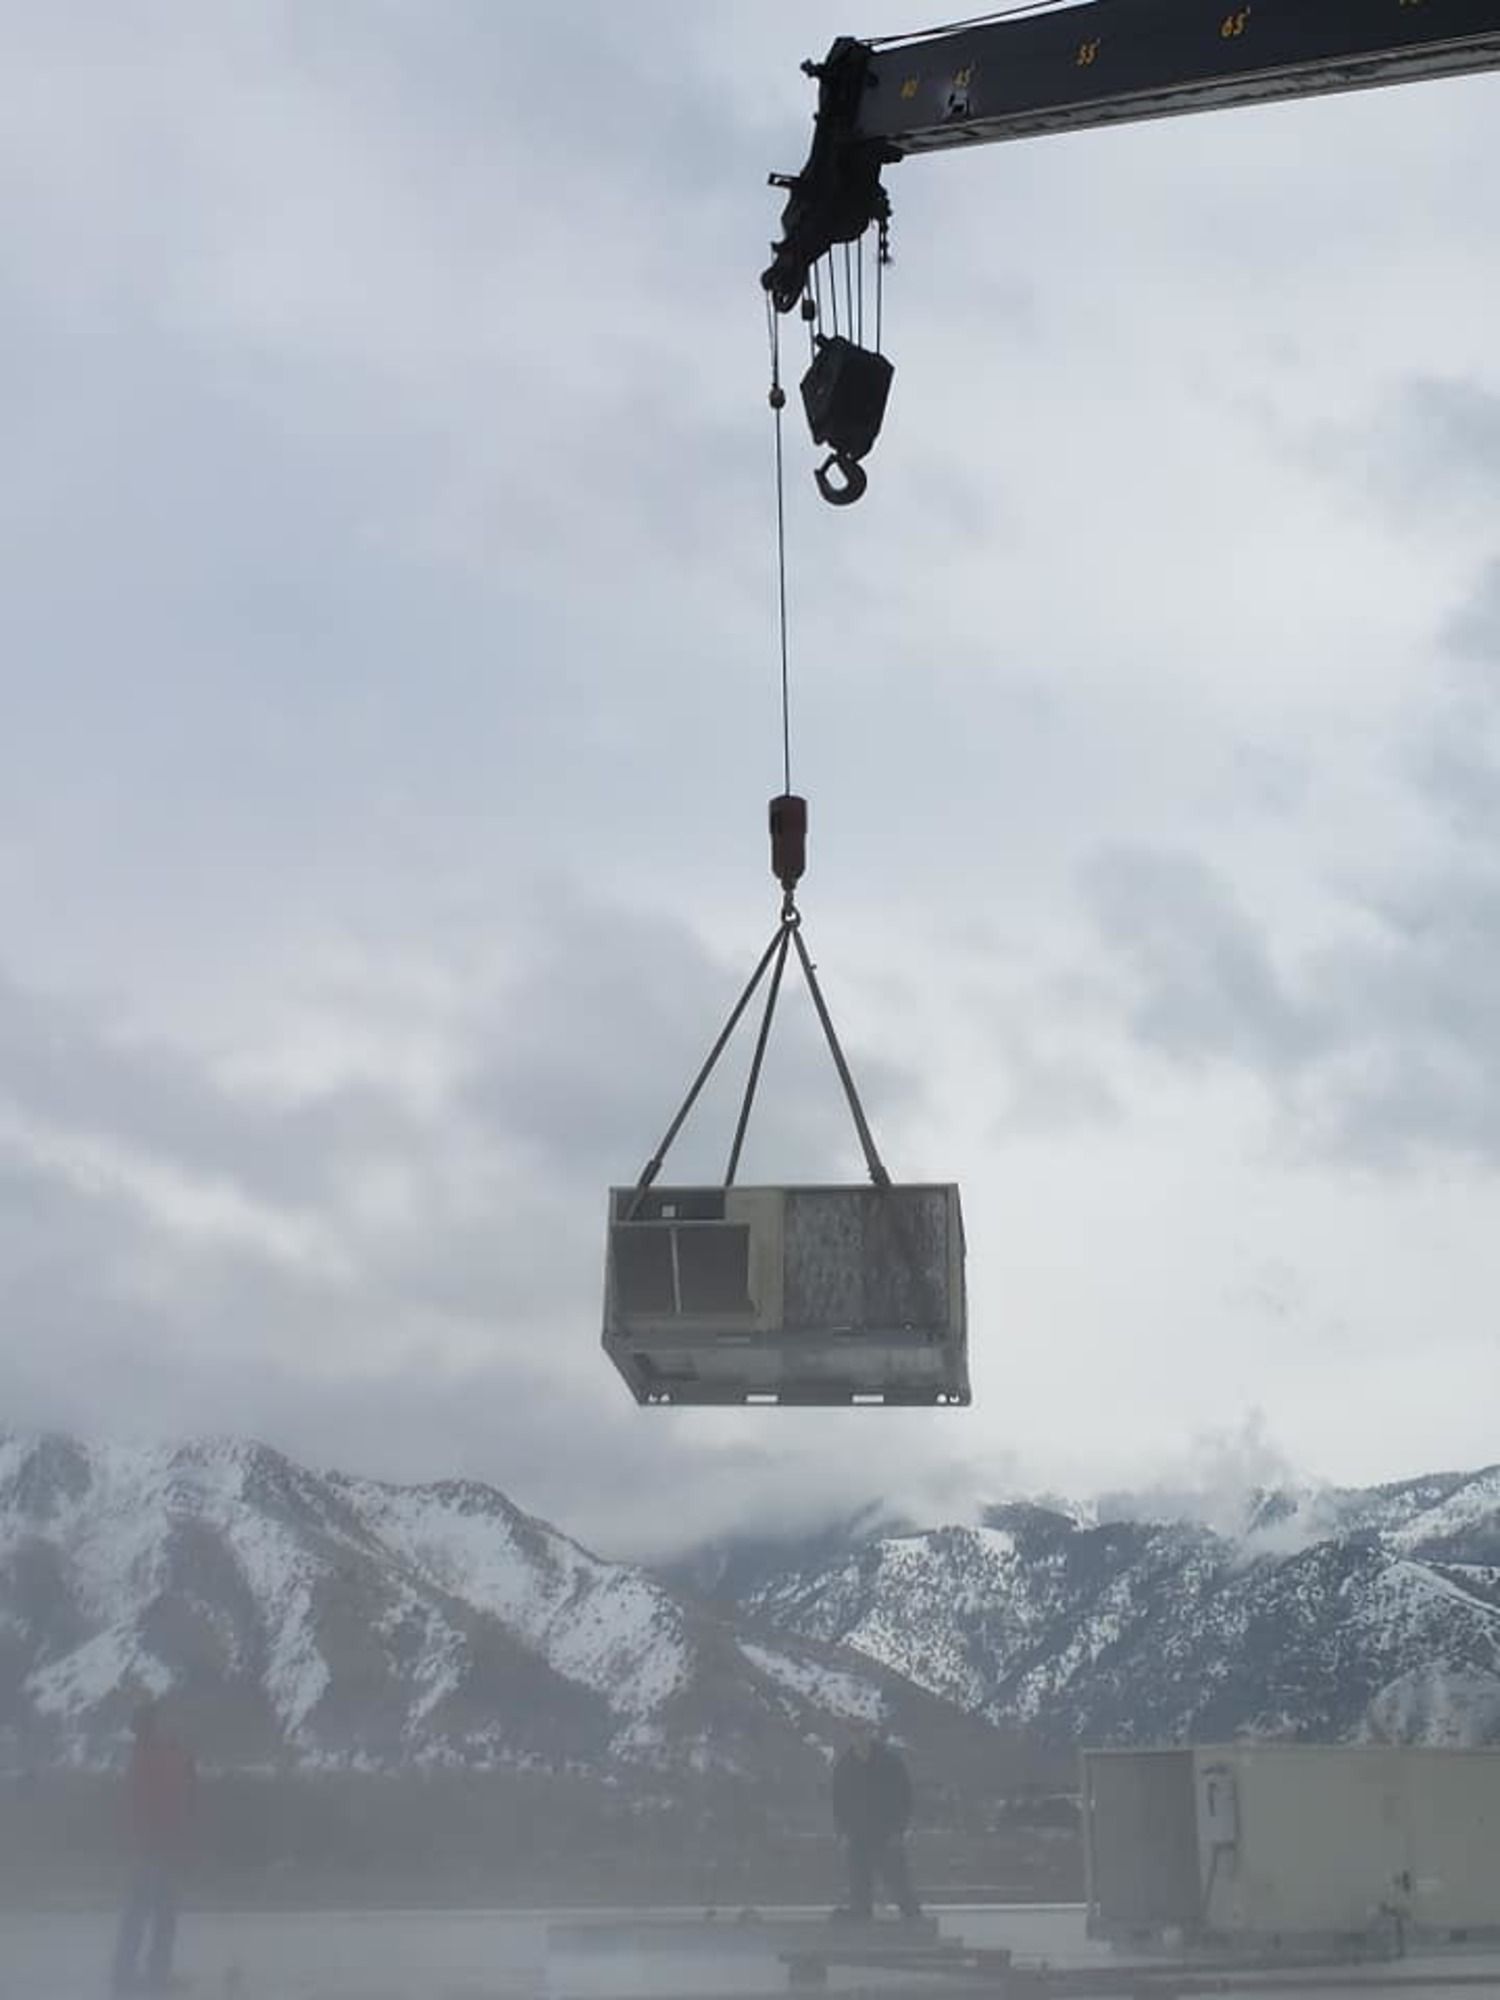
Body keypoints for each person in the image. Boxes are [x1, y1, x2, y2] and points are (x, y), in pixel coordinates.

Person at [111, 1698, 196, 1994]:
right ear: (153, 1727)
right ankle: (151, 1977)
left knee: (142, 1916)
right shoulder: (158, 1759)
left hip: (148, 1850)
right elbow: (172, 1804)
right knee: (159, 1916)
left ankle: (128, 1975)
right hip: (158, 1851)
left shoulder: (143, 1758)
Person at [830, 1721, 923, 1923]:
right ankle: (862, 1923)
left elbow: (905, 1798)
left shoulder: (890, 1762)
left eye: (862, 1731)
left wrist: (899, 1830)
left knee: (899, 1883)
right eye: (854, 1731)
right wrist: (843, 1833)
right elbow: (838, 1803)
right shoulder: (845, 1766)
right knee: (859, 1887)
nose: (859, 1736)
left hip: (886, 1835)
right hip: (857, 1836)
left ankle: (915, 1922)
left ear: (870, 1733)